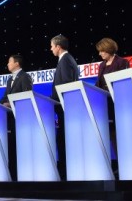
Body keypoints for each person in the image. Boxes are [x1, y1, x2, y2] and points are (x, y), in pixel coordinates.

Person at [94, 37, 130, 167]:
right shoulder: (102, 66)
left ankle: (126, 164)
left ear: (108, 49)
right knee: (111, 135)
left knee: (121, 135)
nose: (100, 54)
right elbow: (98, 85)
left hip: (118, 105)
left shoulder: (122, 62)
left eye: (102, 51)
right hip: (105, 106)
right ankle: (117, 165)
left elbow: (125, 84)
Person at [0, 54, 33, 180]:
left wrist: (11, 105)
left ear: (17, 63)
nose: (8, 64)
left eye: (9, 62)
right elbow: (5, 97)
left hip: (20, 119)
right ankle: (11, 175)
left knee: (19, 147)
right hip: (9, 118)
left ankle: (21, 175)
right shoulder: (9, 79)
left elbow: (27, 97)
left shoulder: (25, 77)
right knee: (11, 146)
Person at [50, 34, 79, 180]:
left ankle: (65, 173)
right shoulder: (65, 60)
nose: (51, 49)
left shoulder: (66, 60)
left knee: (64, 140)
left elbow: (67, 84)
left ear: (58, 46)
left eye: (52, 46)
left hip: (65, 107)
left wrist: (56, 100)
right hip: (62, 106)